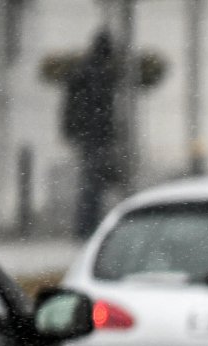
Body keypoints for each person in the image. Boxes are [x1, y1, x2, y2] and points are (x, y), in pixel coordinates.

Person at [61, 29, 121, 239]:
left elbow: (71, 105)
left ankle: (86, 226)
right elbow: (100, 108)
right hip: (94, 135)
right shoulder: (97, 73)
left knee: (91, 182)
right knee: (93, 183)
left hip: (88, 134)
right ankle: (88, 226)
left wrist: (71, 130)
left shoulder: (84, 70)